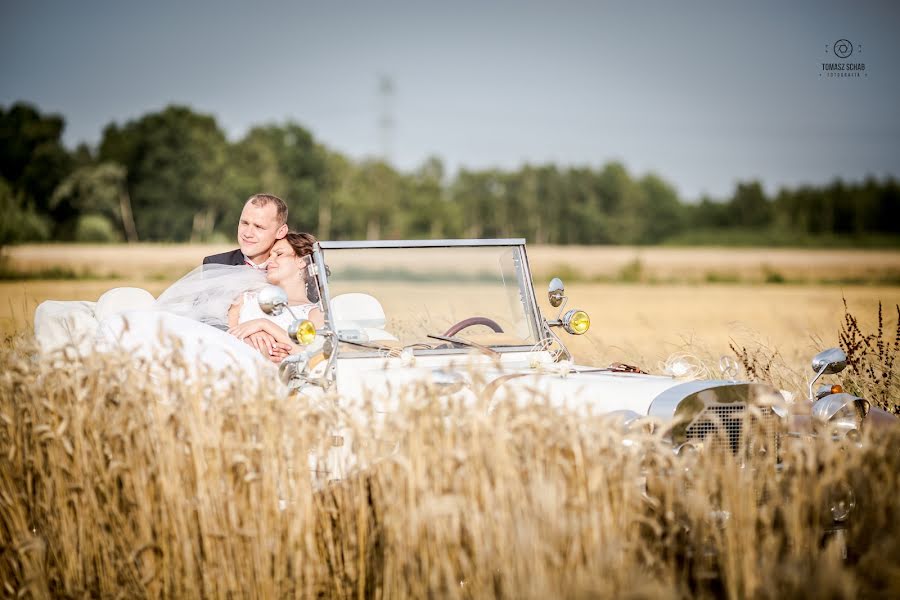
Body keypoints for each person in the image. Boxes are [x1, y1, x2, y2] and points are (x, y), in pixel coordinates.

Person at [203, 193, 289, 268]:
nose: (247, 233)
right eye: (245, 223)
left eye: (258, 227)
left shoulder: (292, 269)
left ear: (281, 232)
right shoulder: (215, 265)